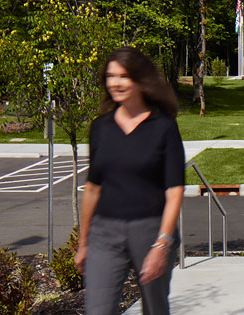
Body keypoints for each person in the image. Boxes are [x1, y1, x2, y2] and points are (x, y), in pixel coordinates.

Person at [77, 47, 184, 315]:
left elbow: (174, 191)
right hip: (104, 233)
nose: (115, 82)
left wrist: (162, 244)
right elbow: (92, 188)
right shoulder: (100, 128)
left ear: (140, 80)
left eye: (123, 76)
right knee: (97, 311)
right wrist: (83, 242)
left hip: (151, 230)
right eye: (110, 76)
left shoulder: (164, 127)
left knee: (155, 309)